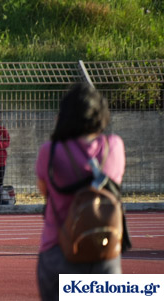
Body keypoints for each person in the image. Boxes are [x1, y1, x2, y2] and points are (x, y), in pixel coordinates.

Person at [35, 83, 125, 301]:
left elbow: (45, 190)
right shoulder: (114, 146)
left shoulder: (51, 150)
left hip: (59, 249)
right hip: (104, 249)